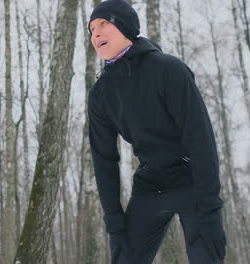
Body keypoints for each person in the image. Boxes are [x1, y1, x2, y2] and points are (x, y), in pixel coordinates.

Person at [87, 0, 227, 263]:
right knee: (125, 257)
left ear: (125, 26)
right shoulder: (101, 95)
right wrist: (115, 223)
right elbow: (104, 160)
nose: (96, 33)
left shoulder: (168, 70)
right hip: (151, 183)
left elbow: (200, 137)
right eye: (92, 28)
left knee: (206, 254)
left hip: (192, 178)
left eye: (104, 23)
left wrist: (209, 205)